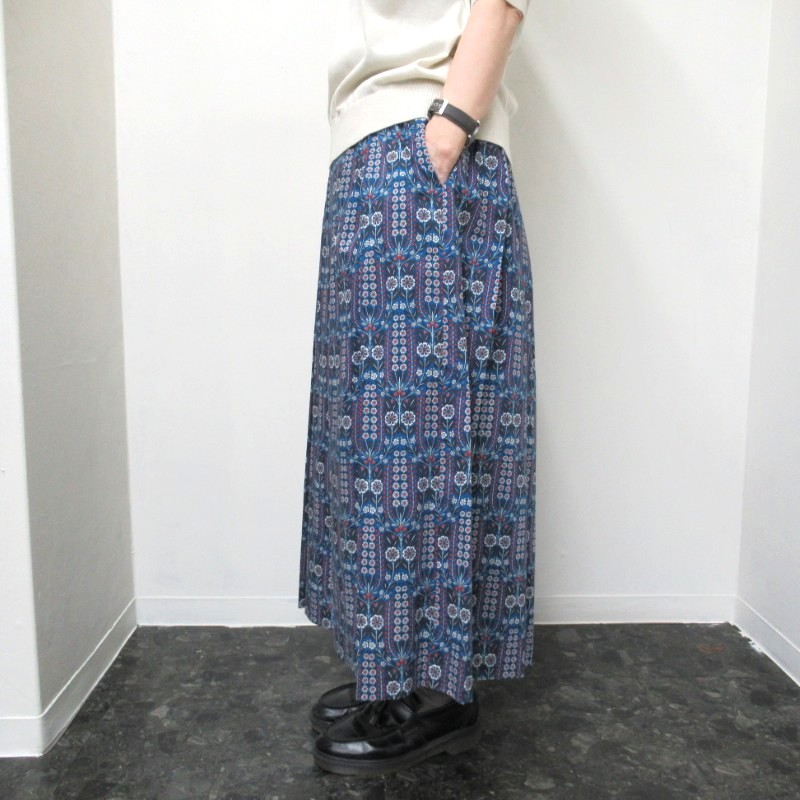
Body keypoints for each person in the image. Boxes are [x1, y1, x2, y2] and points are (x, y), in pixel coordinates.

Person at [298, 0, 536, 776]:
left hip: (426, 145)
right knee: (372, 434)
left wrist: (447, 128)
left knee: (418, 435)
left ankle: (438, 695)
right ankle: (396, 667)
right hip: (381, 152)